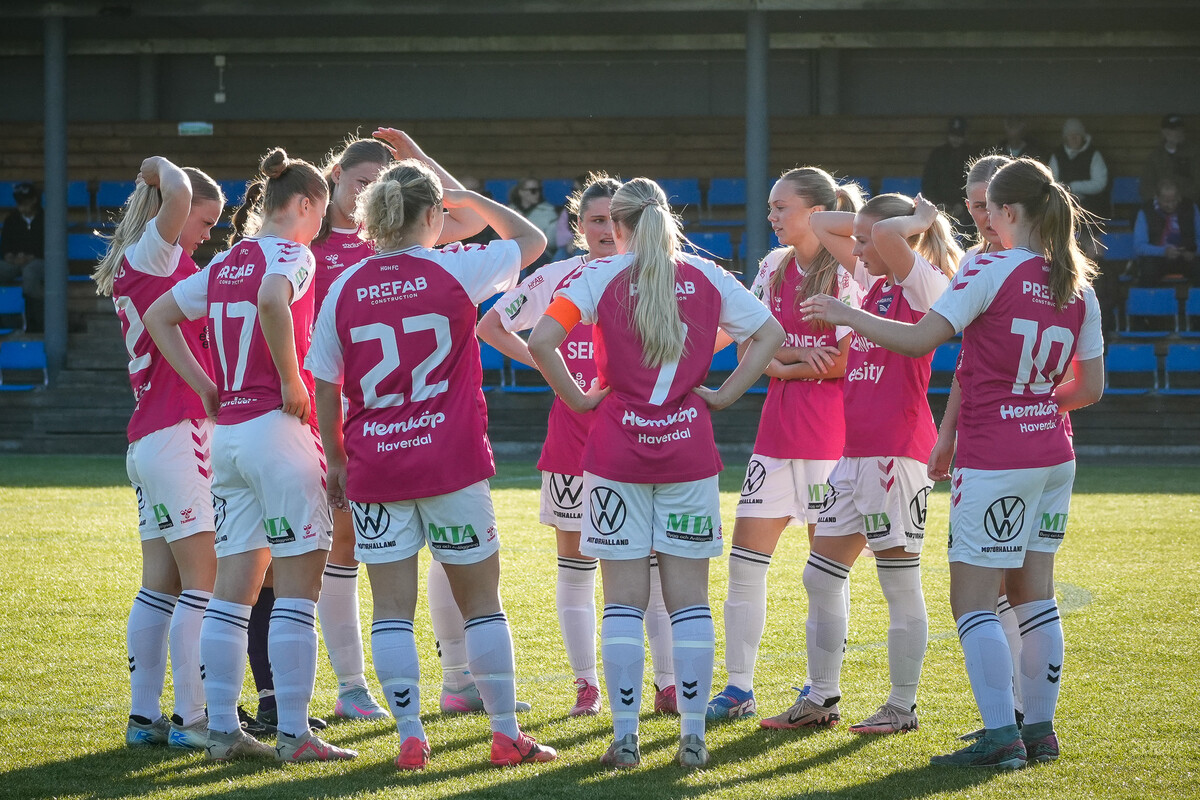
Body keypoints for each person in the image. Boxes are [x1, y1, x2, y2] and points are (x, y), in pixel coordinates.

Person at [801, 157, 1105, 768]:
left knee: (973, 601)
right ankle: (1039, 731)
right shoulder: (1078, 283)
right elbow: (1090, 388)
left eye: (988, 207)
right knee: (1035, 597)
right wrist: (1033, 407)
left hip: (996, 456)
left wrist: (847, 314)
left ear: (1008, 212)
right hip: (1054, 453)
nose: (982, 216)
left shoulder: (989, 269)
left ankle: (1001, 736)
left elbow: (921, 339)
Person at [527, 177, 785, 769]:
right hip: (688, 452)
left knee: (622, 600)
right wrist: (725, 394)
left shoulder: (598, 275)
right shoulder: (709, 276)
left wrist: (580, 400)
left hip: (616, 454)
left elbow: (542, 340)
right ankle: (692, 737)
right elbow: (771, 332)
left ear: (618, 226)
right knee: (688, 600)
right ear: (667, 218)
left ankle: (625, 739)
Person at [306, 159, 555, 770]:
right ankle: (505, 734)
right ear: (431, 215)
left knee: (391, 609)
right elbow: (531, 240)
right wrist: (472, 196)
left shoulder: (345, 286)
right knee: (482, 603)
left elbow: (325, 384)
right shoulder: (455, 268)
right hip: (451, 461)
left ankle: (410, 737)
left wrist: (336, 459)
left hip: (376, 465)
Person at [144, 148, 355, 763]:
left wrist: (207, 386)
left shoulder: (225, 259)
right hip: (278, 430)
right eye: (320, 213)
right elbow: (270, 298)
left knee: (231, 593)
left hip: (229, 435)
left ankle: (222, 731)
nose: (319, 227)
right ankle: (294, 734)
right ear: (305, 205)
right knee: (297, 590)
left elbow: (159, 316)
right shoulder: (294, 254)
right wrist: (291, 379)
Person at [759, 193, 961, 736]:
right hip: (854, 455)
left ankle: (902, 706)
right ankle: (820, 697)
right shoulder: (877, 282)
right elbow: (825, 221)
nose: (858, 250)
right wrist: (876, 225)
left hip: (896, 454)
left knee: (898, 582)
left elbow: (871, 242)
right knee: (820, 576)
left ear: (901, 242)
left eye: (868, 241)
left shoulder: (923, 284)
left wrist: (918, 220)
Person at [478, 173, 678, 718]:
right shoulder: (557, 277)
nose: (607, 229)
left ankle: (666, 683)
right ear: (578, 225)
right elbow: (492, 326)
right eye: (595, 220)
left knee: (652, 565)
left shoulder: (658, 273)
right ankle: (586, 685)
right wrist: (554, 371)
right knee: (576, 566)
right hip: (573, 442)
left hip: (642, 438)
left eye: (616, 219)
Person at [705, 167, 863, 722]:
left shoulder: (847, 268)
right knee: (745, 563)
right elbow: (749, 345)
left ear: (817, 211)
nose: (771, 215)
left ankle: (822, 694)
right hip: (775, 434)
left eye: (781, 207)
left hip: (829, 437)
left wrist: (779, 364)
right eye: (771, 207)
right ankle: (738, 689)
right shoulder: (773, 266)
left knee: (824, 573)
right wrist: (793, 360)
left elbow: (845, 360)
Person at [92, 157, 223, 751]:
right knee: (205, 581)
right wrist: (160, 167)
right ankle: (193, 719)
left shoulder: (149, 262)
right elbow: (177, 190)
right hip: (179, 431)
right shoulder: (157, 254)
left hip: (150, 439)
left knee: (160, 586)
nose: (206, 234)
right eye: (204, 221)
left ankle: (144, 718)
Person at [1049, 118, 1109, 257]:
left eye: (1077, 135)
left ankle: (1092, 251)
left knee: (1086, 216)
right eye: (1071, 135)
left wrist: (1072, 186)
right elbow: (1052, 182)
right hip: (1064, 203)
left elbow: (1100, 183)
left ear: (1083, 136)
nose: (1074, 138)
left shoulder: (1094, 154)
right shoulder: (1057, 155)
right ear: (1065, 138)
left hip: (1092, 206)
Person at [1133, 178, 1200, 285]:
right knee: (1148, 269)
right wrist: (1163, 251)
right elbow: (1139, 247)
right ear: (1157, 197)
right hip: (1157, 259)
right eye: (1166, 202)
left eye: (1174, 201)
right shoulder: (1146, 211)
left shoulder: (1191, 208)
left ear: (1179, 197)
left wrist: (1194, 251)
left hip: (1187, 258)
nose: (1170, 205)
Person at [0, 182, 45, 332]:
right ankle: (6, 319)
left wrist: (30, 257)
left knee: (30, 273)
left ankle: (35, 322)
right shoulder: (11, 219)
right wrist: (11, 257)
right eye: (19, 202)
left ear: (34, 200)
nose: (21, 206)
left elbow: (50, 249)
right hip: (15, 262)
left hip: (38, 261)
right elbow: (5, 248)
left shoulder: (45, 219)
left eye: (25, 201)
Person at [922, 117, 974, 230]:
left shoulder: (972, 154)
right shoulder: (937, 154)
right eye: (953, 135)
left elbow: (975, 184)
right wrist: (938, 204)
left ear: (965, 136)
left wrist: (963, 205)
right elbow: (928, 183)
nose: (956, 139)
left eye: (959, 135)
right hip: (940, 207)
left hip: (965, 210)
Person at [1141, 114, 1200, 203]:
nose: (1178, 133)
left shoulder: (1195, 153)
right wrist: (1162, 200)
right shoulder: (1155, 156)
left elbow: (1198, 184)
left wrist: (1178, 198)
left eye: (1180, 129)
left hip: (1188, 202)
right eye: (1173, 130)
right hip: (1161, 204)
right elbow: (1146, 186)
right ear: (1164, 132)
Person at [509, 179, 558, 272]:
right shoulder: (509, 211)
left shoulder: (549, 211)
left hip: (541, 253)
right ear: (521, 192)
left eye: (540, 190)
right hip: (514, 252)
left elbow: (552, 243)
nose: (537, 194)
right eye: (533, 191)